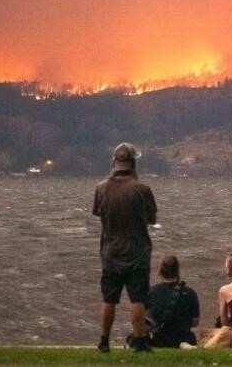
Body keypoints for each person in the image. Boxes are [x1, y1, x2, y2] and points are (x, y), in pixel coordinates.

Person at [93, 142, 157, 353]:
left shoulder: (101, 188)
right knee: (138, 298)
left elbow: (99, 213)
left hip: (110, 252)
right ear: (133, 164)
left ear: (114, 162)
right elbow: (151, 217)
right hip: (137, 253)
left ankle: (104, 341)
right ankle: (139, 340)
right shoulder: (142, 189)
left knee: (108, 298)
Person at [146, 255, 200, 348]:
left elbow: (146, 320)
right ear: (177, 271)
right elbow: (195, 322)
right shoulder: (190, 293)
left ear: (161, 271)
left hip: (158, 339)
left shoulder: (151, 292)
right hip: (184, 337)